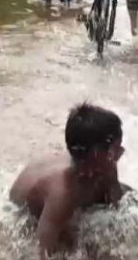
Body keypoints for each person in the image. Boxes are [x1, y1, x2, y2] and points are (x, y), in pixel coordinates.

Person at [9, 103, 128, 258]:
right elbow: (41, 253)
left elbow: (117, 208)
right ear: (95, 154)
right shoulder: (63, 193)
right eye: (115, 148)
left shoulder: (107, 164)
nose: (121, 152)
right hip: (24, 211)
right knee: (66, 247)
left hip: (65, 189)